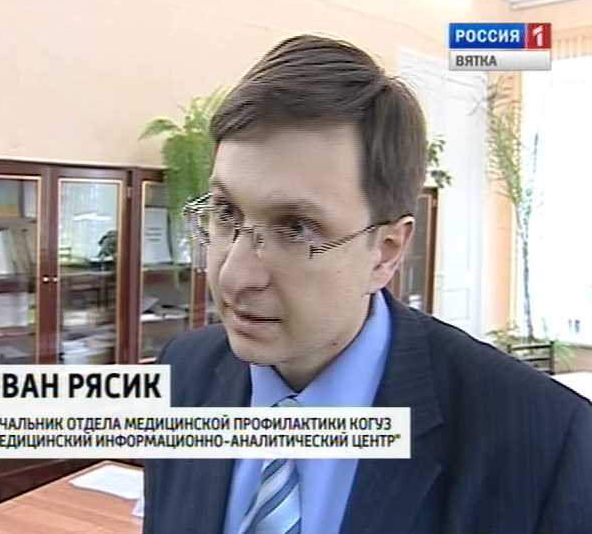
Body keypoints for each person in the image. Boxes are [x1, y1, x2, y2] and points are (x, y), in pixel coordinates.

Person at [144, 35, 592, 534]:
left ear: (387, 251)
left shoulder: (545, 443)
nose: (234, 275)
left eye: (296, 228)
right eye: (226, 212)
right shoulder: (182, 373)